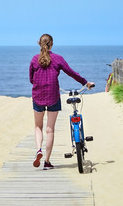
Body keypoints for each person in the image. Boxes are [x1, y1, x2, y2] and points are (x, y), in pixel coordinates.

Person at [29, 33, 94, 170]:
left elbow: (31, 79)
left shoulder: (35, 59)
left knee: (38, 127)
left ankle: (38, 149)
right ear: (51, 44)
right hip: (53, 96)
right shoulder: (58, 59)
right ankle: (46, 162)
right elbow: (71, 73)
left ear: (39, 44)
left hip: (38, 96)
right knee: (50, 129)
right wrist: (85, 82)